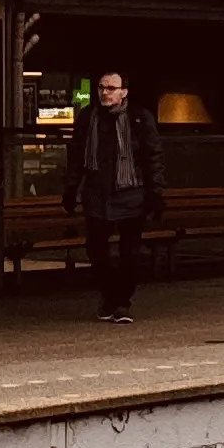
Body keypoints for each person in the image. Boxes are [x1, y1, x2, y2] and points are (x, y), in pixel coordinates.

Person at [63, 67, 163, 322]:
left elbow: (152, 157)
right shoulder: (89, 117)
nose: (104, 92)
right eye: (101, 87)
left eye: (111, 88)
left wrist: (155, 193)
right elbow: (76, 154)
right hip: (97, 193)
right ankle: (109, 295)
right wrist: (71, 187)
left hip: (131, 192)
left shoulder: (139, 118)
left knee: (130, 253)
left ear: (124, 92)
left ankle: (121, 303)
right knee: (96, 250)